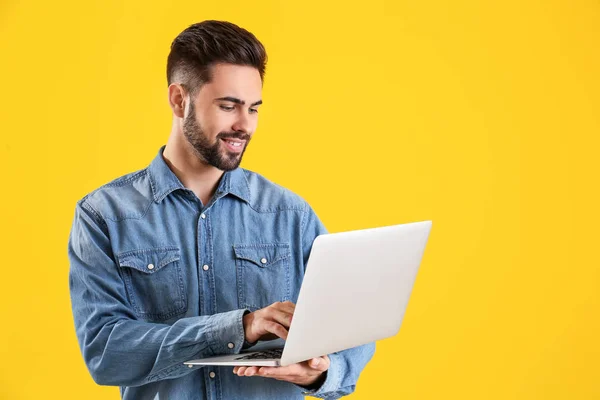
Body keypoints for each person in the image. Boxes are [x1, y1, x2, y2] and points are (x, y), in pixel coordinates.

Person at [68, 20, 375, 399]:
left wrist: (317, 373)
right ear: (179, 99)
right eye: (228, 106)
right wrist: (238, 329)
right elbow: (106, 353)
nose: (244, 125)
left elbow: (353, 331)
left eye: (254, 109)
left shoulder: (289, 215)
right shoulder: (104, 215)